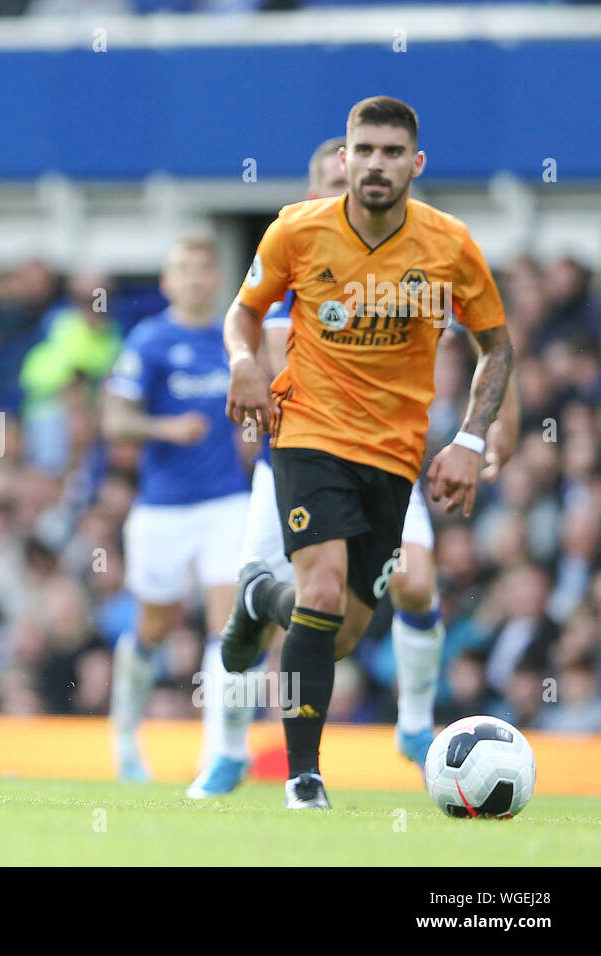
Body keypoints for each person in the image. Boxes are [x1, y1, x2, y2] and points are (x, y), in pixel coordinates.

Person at [189, 136, 520, 798]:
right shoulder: (294, 269)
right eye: (338, 178)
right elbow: (249, 341)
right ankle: (230, 753)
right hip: (297, 461)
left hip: (389, 459)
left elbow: (487, 348)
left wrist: (489, 431)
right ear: (318, 192)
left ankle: (414, 723)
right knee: (292, 604)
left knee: (404, 591)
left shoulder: (415, 270)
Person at [102, 235, 249, 783]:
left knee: (231, 627)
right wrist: (166, 427)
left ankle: (219, 754)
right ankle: (125, 736)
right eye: (181, 268)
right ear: (167, 281)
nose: (192, 278)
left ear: (214, 279)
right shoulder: (150, 340)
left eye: (201, 269)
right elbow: (114, 421)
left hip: (227, 502)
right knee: (154, 626)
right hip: (162, 508)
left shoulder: (233, 341)